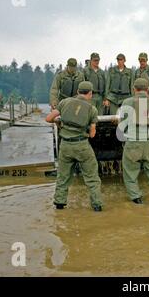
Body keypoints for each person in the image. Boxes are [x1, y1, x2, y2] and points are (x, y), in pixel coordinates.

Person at [45, 81, 103, 212]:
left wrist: (59, 124)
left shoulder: (64, 102)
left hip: (65, 146)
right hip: (82, 146)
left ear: (77, 92)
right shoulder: (92, 109)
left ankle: (59, 204)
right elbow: (93, 134)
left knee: (63, 177)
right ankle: (97, 205)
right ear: (90, 94)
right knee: (92, 178)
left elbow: (48, 119)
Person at [119, 78, 149, 207]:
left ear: (134, 89)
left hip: (133, 143)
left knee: (130, 174)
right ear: (148, 89)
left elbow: (122, 125)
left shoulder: (127, 102)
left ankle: (137, 200)